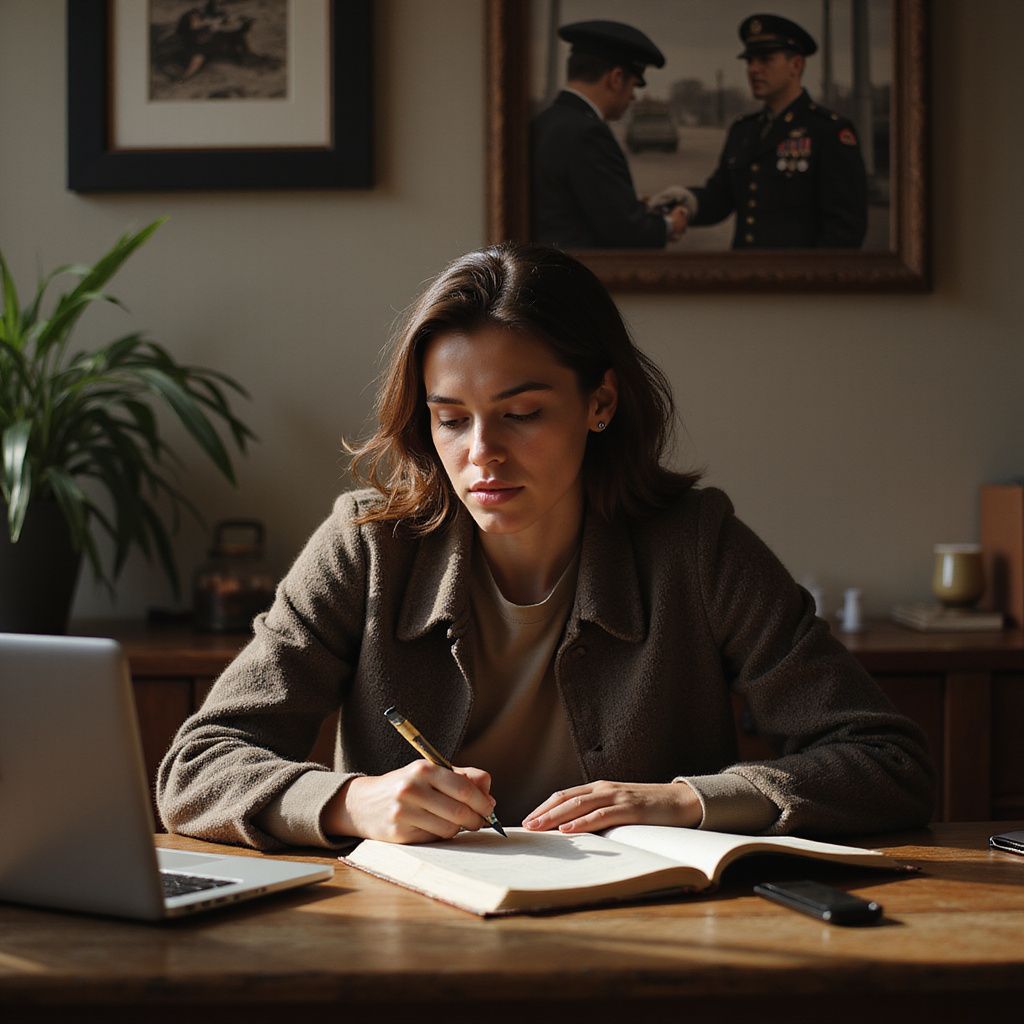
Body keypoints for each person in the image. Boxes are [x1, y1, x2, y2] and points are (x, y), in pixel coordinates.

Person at [157, 243, 933, 850]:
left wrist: (686, 800)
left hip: (654, 938)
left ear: (598, 403)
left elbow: (885, 761)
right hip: (408, 935)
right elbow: (197, 768)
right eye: (451, 418)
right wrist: (350, 800)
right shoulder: (366, 547)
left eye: (521, 413)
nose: (482, 453)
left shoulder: (697, 546)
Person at [679, 14, 868, 248]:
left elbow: (845, 230)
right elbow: (721, 197)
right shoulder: (744, 130)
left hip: (796, 280)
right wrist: (685, 203)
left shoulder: (828, 131)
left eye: (765, 59)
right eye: (750, 61)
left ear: (796, 65)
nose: (754, 69)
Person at [530, 21, 688, 249]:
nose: (633, 97)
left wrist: (629, 206)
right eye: (634, 86)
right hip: (578, 274)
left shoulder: (545, 122)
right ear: (615, 78)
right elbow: (625, 230)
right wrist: (671, 224)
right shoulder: (588, 133)